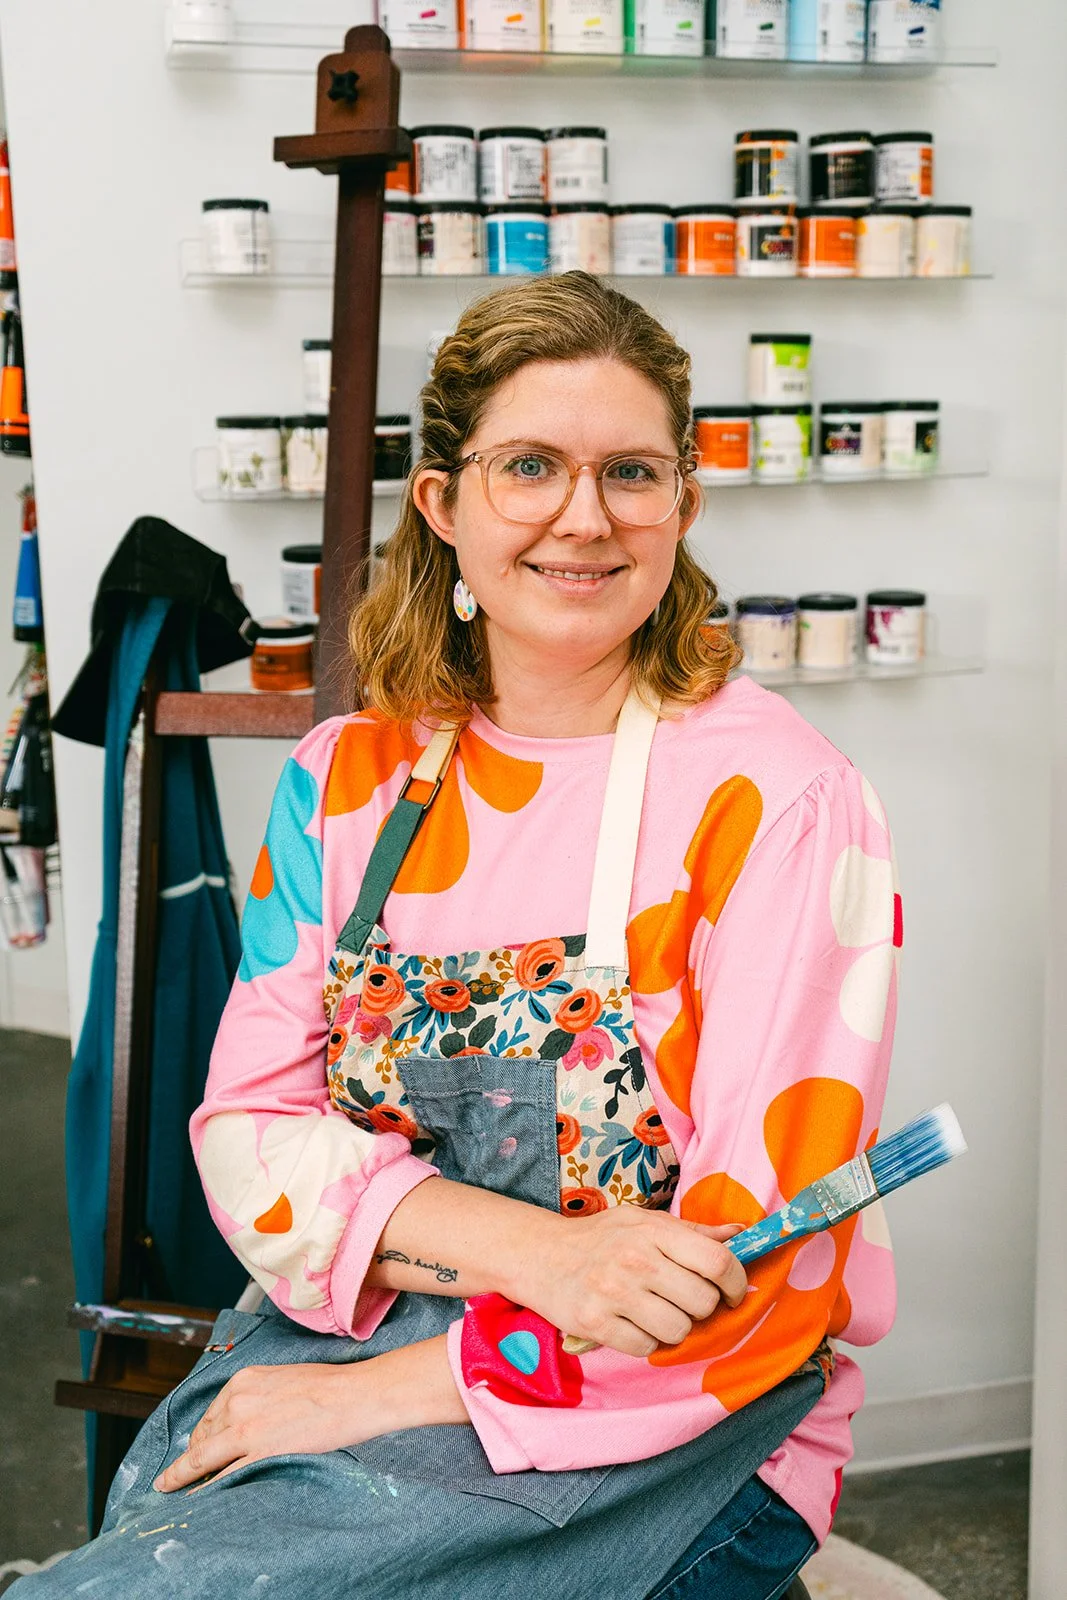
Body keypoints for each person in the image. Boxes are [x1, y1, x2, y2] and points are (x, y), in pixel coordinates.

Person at [20, 272, 899, 1600]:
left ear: (683, 505)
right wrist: (546, 1255)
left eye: (631, 473)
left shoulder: (779, 802)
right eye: (530, 466)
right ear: (441, 504)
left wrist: (382, 1393)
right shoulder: (353, 778)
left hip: (668, 1423)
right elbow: (246, 1142)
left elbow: (763, 1269)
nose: (583, 519)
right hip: (337, 1349)